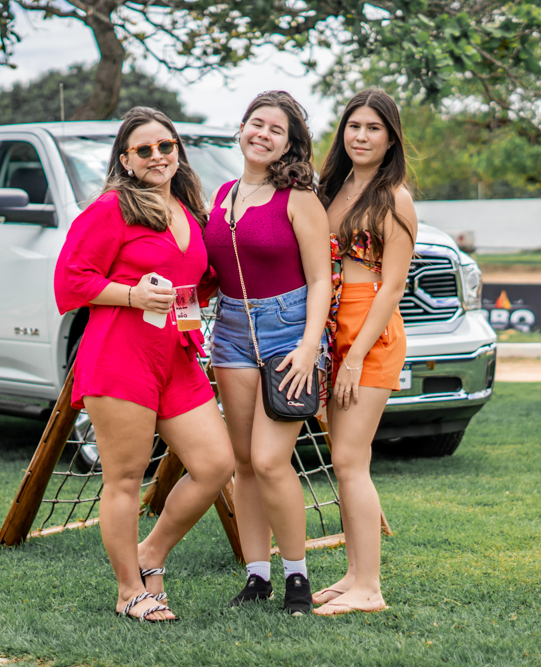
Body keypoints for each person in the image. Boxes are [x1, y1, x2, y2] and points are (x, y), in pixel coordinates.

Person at [54, 107, 235, 623]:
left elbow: (192, 284)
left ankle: (151, 552)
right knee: (126, 480)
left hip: (175, 357)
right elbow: (70, 281)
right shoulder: (110, 209)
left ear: (178, 150)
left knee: (215, 464)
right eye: (144, 150)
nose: (158, 156)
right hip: (120, 358)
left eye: (166, 146)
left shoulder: (187, 208)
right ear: (126, 160)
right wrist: (132, 295)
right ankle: (130, 591)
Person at [204, 91, 332, 615]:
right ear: (241, 128)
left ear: (289, 144)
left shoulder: (298, 199)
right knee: (243, 463)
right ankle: (257, 577)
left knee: (270, 459)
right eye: (256, 123)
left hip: (289, 331)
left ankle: (297, 577)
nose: (263, 134)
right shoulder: (223, 194)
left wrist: (309, 347)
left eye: (276, 130)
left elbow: (321, 279)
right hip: (231, 332)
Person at [311, 89, 417, 616]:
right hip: (332, 326)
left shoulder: (394, 197)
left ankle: (369, 588)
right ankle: (353, 574)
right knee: (347, 459)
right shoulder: (332, 188)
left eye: (374, 128)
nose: (361, 135)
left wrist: (354, 357)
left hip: (370, 332)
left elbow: (393, 286)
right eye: (354, 125)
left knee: (351, 461)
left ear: (391, 138)